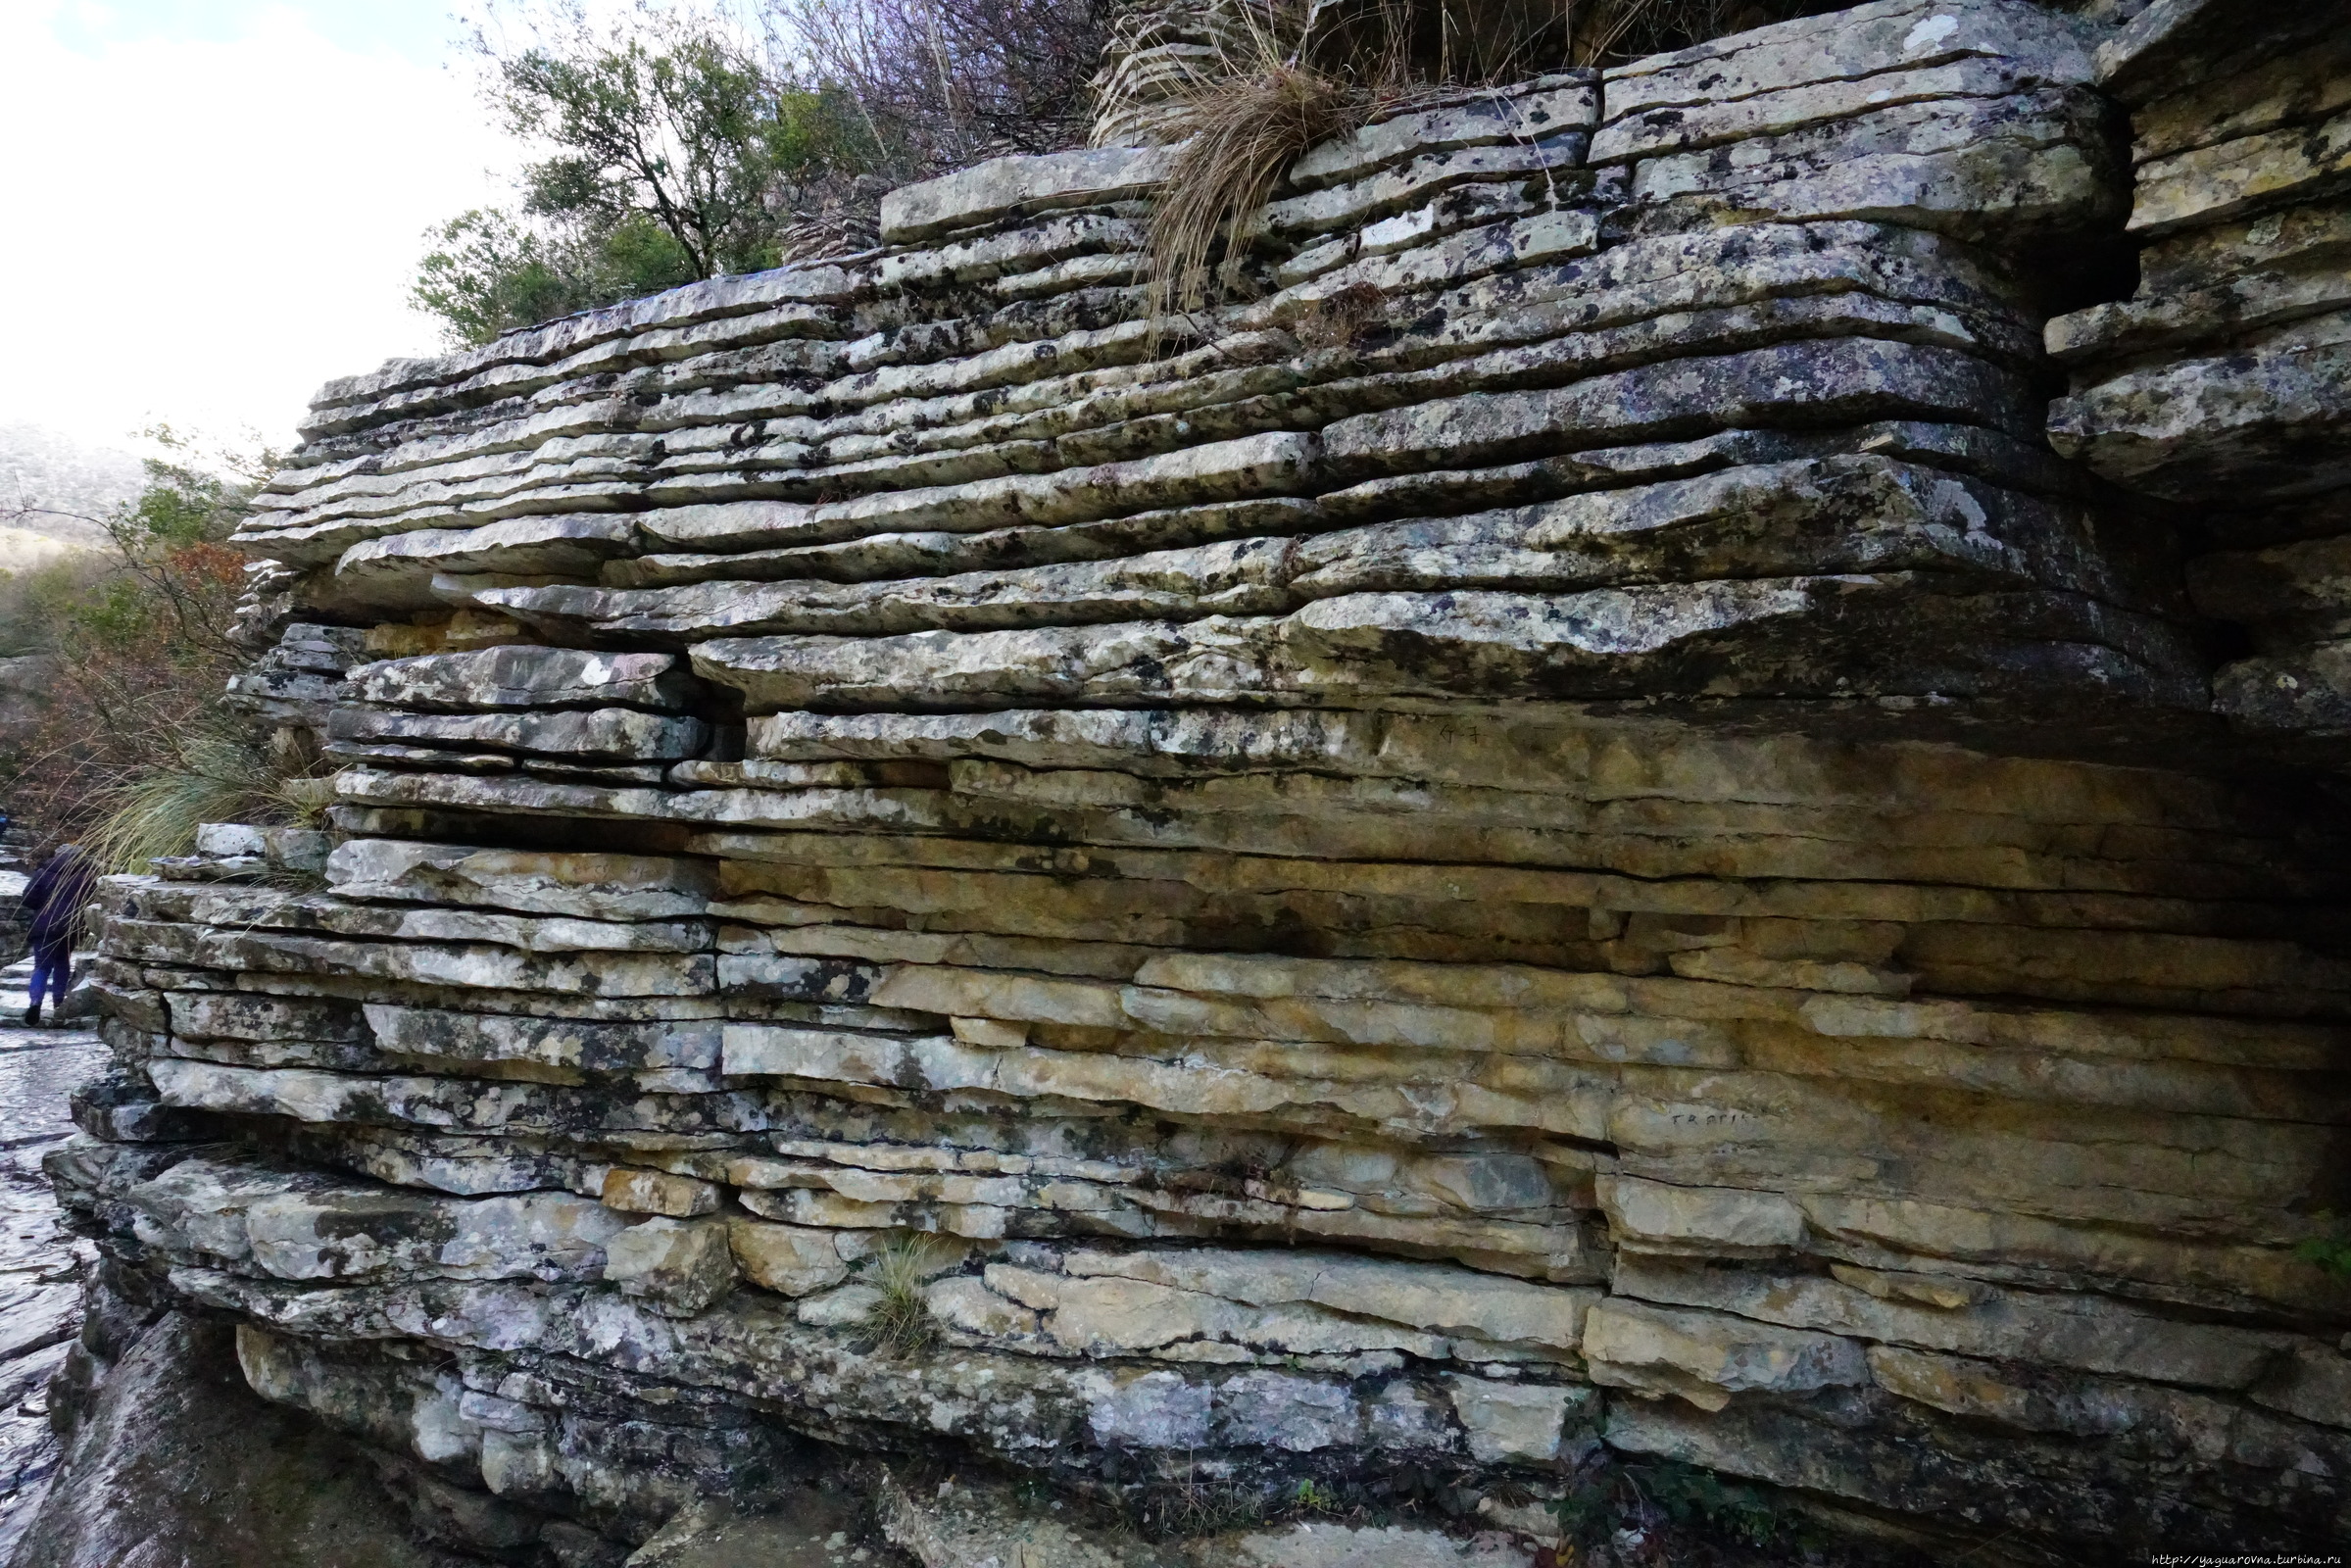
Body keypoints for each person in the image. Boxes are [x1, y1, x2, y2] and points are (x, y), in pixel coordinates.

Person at [21, 843, 96, 1027]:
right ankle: (58, 1002)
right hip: (69, 927)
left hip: (44, 926)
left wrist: (42, 908)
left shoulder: (43, 872)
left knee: (41, 966)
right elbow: (93, 901)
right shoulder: (86, 876)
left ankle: (35, 1002)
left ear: (57, 855)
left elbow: (28, 899)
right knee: (62, 962)